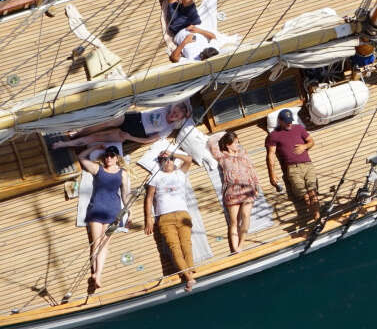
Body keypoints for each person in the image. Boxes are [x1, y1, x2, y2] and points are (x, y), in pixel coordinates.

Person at [78, 145, 130, 289]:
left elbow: (125, 195)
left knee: (105, 243)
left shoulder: (123, 173)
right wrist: (96, 146)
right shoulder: (98, 169)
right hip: (97, 209)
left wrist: (128, 212)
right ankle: (96, 273)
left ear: (117, 158)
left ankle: (98, 274)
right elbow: (81, 158)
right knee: (96, 242)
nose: (108, 158)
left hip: (113, 212)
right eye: (107, 155)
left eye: (112, 156)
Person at [144, 151, 196, 292]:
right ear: (160, 163)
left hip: (182, 213)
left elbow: (189, 160)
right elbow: (149, 198)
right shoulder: (156, 177)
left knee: (186, 244)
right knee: (174, 247)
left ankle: (189, 275)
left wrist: (174, 154)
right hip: (165, 217)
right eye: (164, 160)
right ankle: (189, 276)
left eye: (170, 160)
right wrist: (149, 218)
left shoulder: (180, 173)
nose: (167, 162)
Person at [52, 103, 190, 149]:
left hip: (137, 131)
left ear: (179, 119)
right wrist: (185, 110)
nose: (174, 114)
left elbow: (149, 140)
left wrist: (130, 137)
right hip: (135, 117)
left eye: (177, 116)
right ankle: (76, 134)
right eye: (175, 111)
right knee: (106, 122)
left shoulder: (169, 128)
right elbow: (177, 98)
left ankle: (65, 144)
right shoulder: (166, 107)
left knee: (98, 137)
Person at [208, 131, 260, 253]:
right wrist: (224, 134)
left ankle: (241, 245)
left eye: (238, 142)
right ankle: (235, 249)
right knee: (234, 221)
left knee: (246, 215)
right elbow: (211, 142)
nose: (238, 144)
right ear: (228, 144)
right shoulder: (222, 156)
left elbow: (251, 169)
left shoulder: (243, 153)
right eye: (235, 142)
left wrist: (256, 185)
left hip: (248, 189)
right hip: (232, 191)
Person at [265, 109, 320, 221]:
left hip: (307, 165)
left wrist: (304, 147)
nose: (289, 123)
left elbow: (311, 141)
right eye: (286, 121)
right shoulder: (274, 135)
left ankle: (317, 218)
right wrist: (272, 174)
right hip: (293, 168)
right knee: (304, 196)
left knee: (313, 192)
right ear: (280, 121)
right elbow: (271, 155)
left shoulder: (299, 128)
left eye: (290, 121)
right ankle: (314, 216)